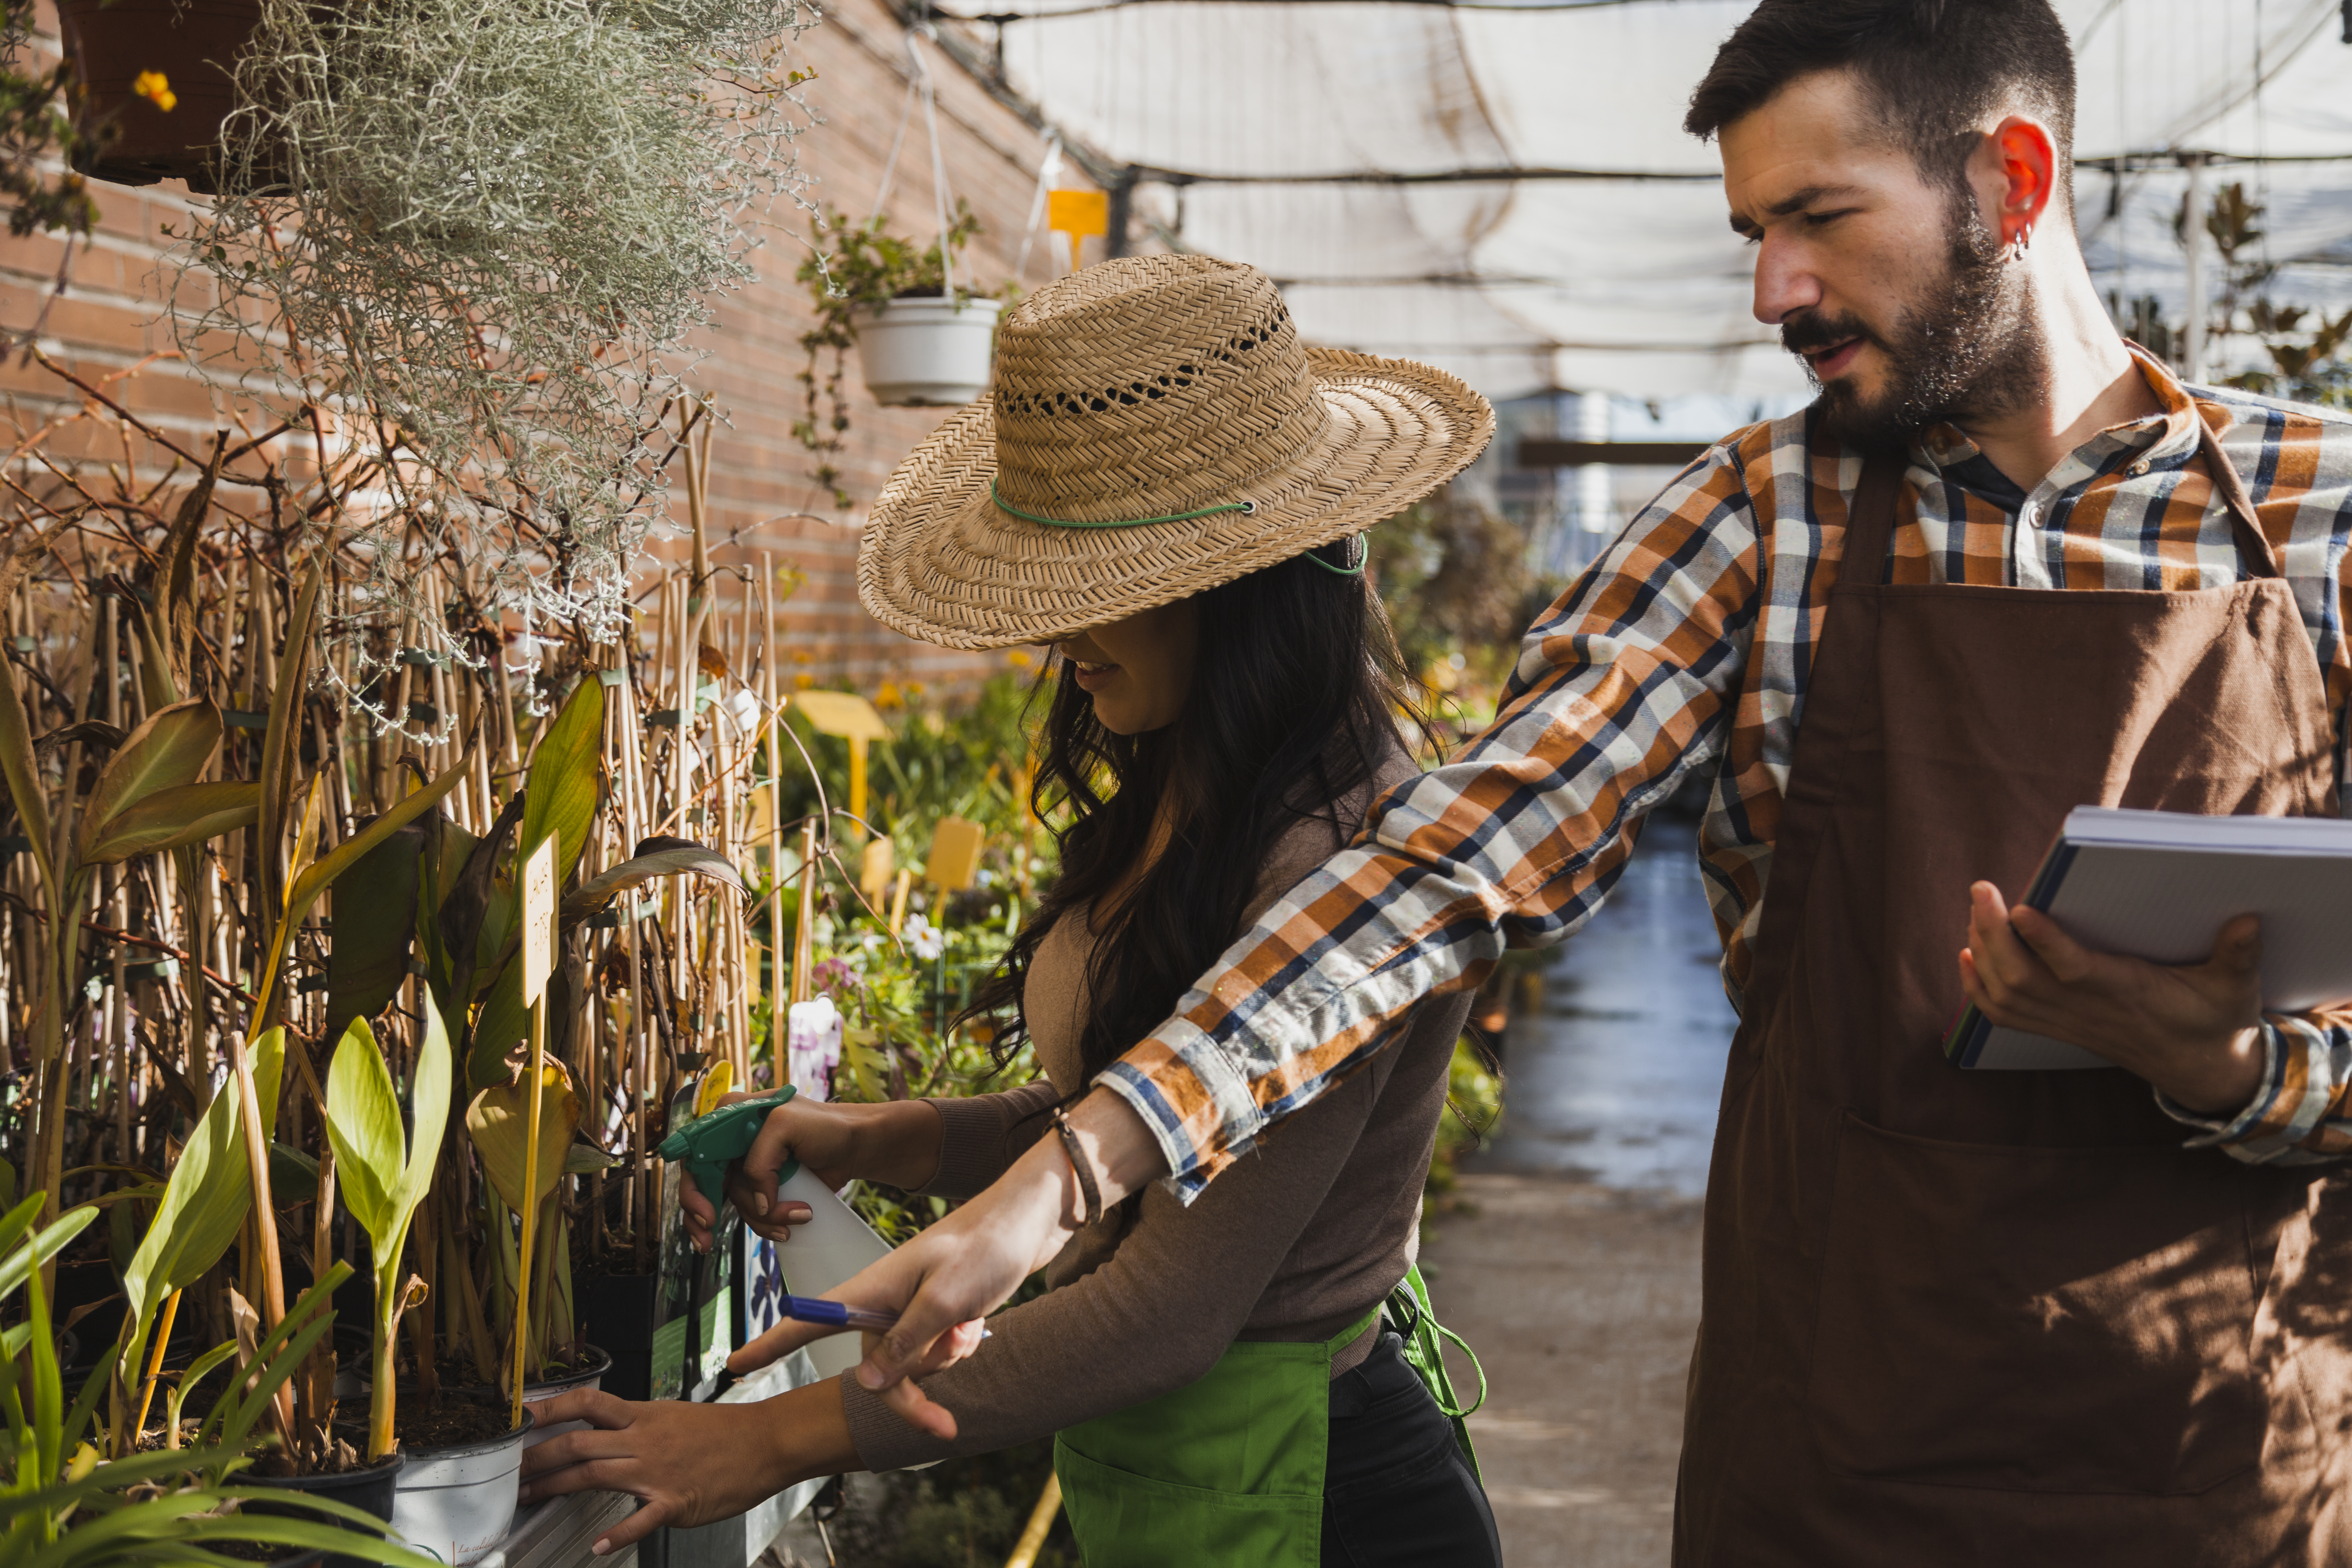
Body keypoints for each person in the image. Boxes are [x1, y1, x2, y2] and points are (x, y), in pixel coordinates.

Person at [622, 1, 2352, 1560]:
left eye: (1820, 218)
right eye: (1754, 233)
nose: (1774, 292)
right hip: (1849, 1445)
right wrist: (1063, 1172)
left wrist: (2245, 1066)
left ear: (2012, 177)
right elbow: (1453, 861)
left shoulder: (2320, 518)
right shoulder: (1765, 518)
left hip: (2215, 1459)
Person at [519, 255, 1504, 1565]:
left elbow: (1168, 1306)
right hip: (1175, 1467)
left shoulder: (1346, 861)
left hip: (1313, 1494)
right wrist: (887, 1137)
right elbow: (1132, 1112)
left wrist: (760, 1445)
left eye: (1089, 585)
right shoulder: (1190, 782)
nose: (1055, 637)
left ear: (1237, 582)